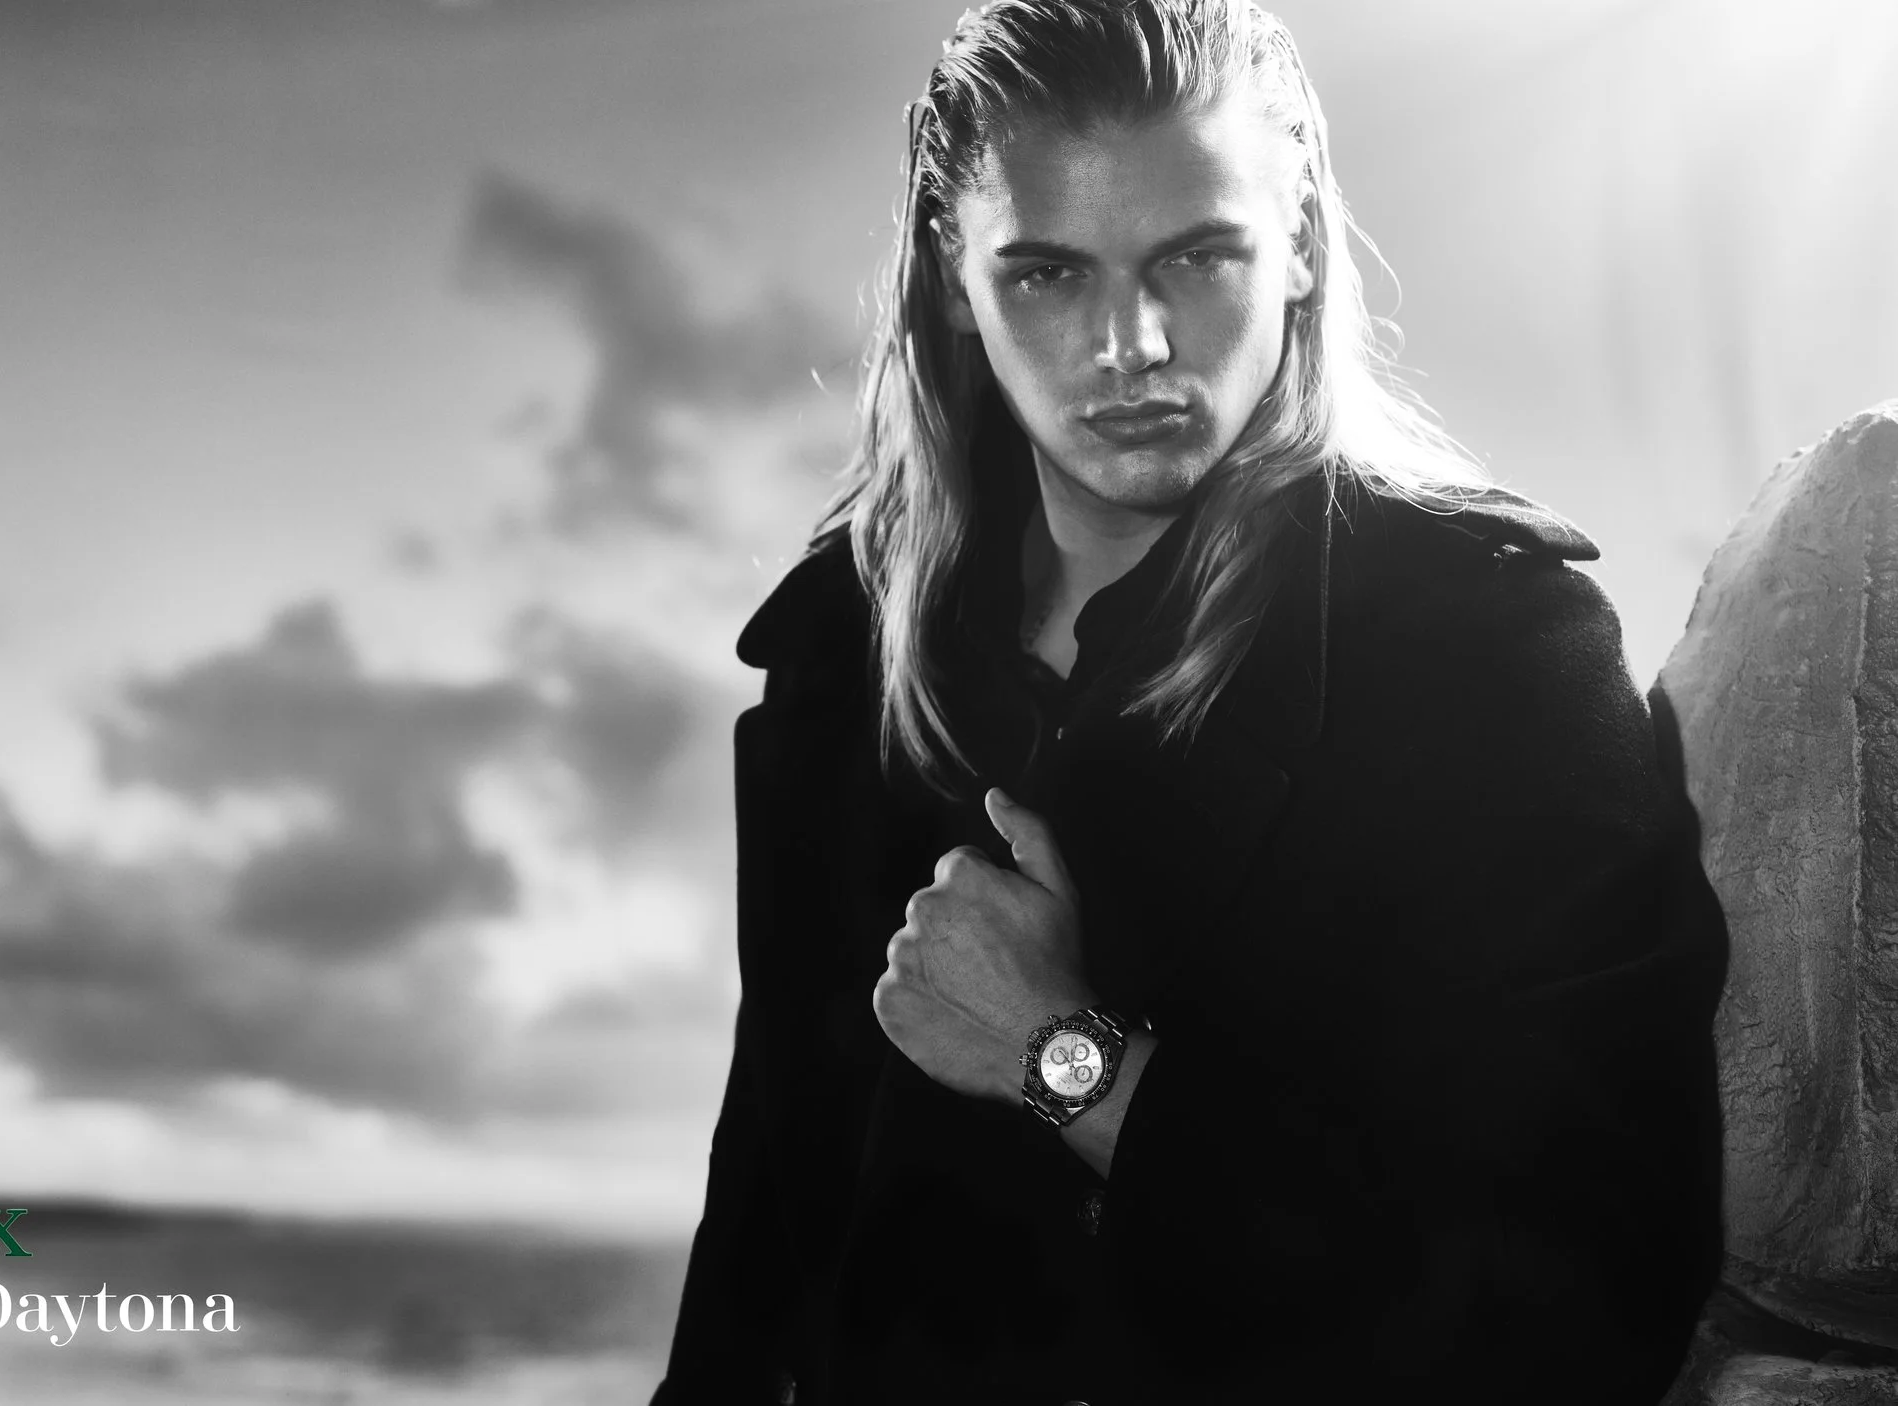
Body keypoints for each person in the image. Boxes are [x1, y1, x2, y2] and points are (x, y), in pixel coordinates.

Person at [649, 2, 1728, 1403]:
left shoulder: (1488, 652)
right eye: (1045, 274)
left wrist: (1068, 1061)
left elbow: (1578, 1298)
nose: (1131, 342)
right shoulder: (840, 657)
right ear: (949, 274)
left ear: (1296, 241)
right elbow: (758, 1252)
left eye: (1197, 256)